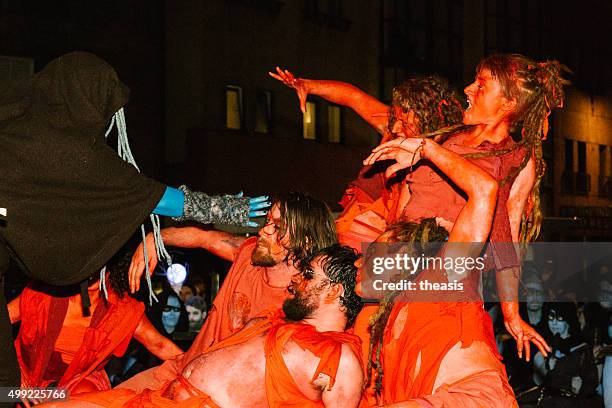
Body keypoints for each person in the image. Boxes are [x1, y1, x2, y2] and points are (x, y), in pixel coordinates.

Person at [0, 51, 269, 389]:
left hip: (60, 392)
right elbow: (160, 199)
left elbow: (160, 346)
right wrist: (228, 210)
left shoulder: (120, 311)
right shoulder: (77, 162)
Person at [41, 245, 365, 408]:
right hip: (157, 398)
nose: (296, 278)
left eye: (308, 275)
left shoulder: (340, 359)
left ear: (335, 291)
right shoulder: (271, 320)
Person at [119, 192, 337, 392]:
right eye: (268, 221)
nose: (263, 230)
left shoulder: (307, 305)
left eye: (277, 227)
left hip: (219, 398)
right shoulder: (247, 255)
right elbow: (201, 237)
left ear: (306, 241)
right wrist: (155, 240)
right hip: (177, 375)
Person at [359, 133, 518, 406]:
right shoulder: (388, 313)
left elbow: (484, 190)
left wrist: (426, 148)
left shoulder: (443, 274)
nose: (357, 262)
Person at [7, 250, 183, 395]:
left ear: (113, 267)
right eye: (88, 266)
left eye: (100, 266)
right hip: (23, 384)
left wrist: (197, 367)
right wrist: (14, 374)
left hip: (81, 388)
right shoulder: (42, 295)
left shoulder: (122, 310)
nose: (92, 274)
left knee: (85, 397)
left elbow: (159, 345)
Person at [532, 302, 601, 407]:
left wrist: (580, 386)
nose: (554, 323)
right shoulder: (545, 346)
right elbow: (537, 381)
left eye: (559, 318)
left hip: (573, 403)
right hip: (549, 402)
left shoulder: (581, 348)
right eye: (551, 318)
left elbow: (591, 382)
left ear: (568, 320)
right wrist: (545, 367)